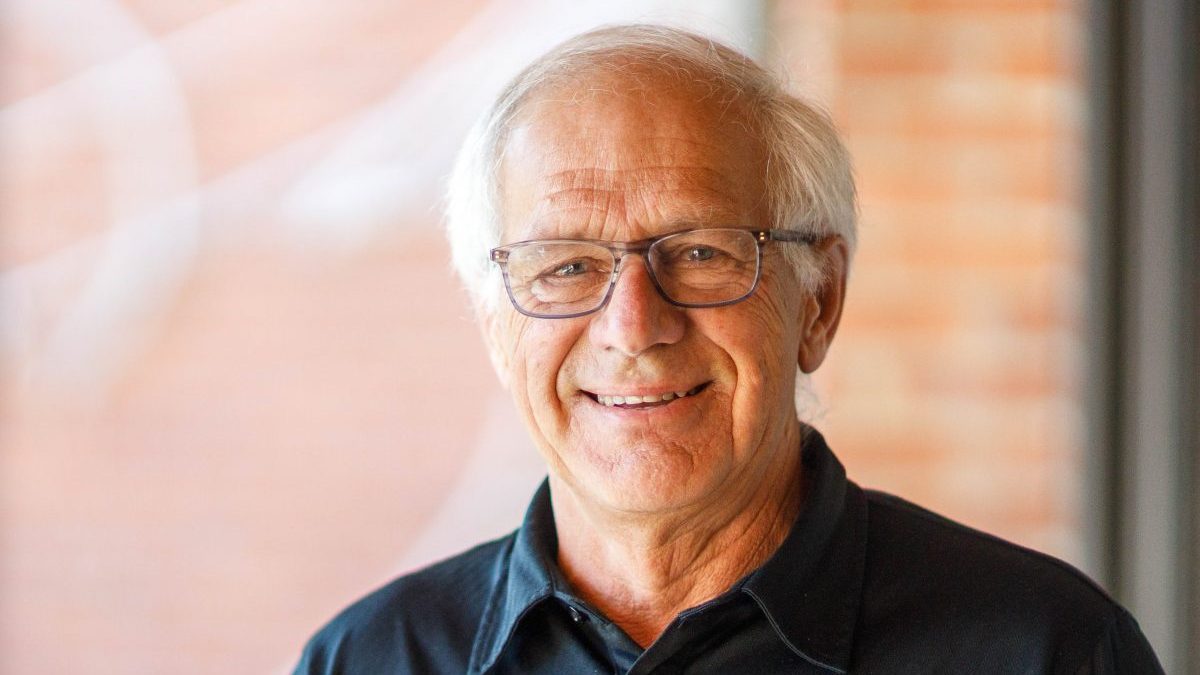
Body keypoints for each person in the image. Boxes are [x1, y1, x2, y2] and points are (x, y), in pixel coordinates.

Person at [294, 24, 1162, 674]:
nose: (634, 325)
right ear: (496, 325)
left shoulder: (1048, 651)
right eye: (566, 265)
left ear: (818, 301)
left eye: (702, 253)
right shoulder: (368, 659)